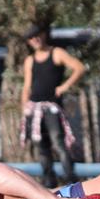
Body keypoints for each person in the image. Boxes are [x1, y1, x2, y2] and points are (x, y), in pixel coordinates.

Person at [21, 23, 87, 188]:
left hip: (52, 107)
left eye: (37, 35)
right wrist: (24, 107)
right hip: (35, 108)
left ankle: (72, 180)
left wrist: (65, 86)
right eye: (31, 37)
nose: (35, 39)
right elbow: (27, 86)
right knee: (41, 145)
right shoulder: (30, 60)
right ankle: (49, 182)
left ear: (43, 35)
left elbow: (79, 68)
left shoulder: (56, 53)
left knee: (59, 143)